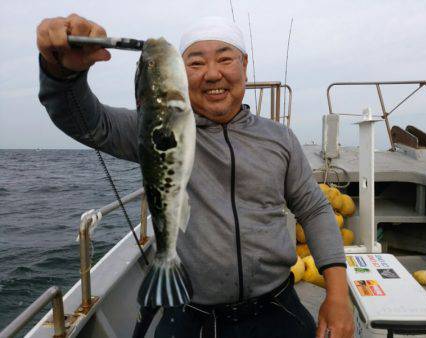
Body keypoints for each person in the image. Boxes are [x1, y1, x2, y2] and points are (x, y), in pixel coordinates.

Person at [36, 14, 354, 338]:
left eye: (225, 59)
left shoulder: (279, 138)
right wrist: (62, 74)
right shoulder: (158, 126)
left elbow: (314, 209)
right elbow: (85, 121)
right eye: (196, 63)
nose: (213, 74)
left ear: (244, 65)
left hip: (277, 305)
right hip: (191, 314)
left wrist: (338, 294)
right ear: (179, 73)